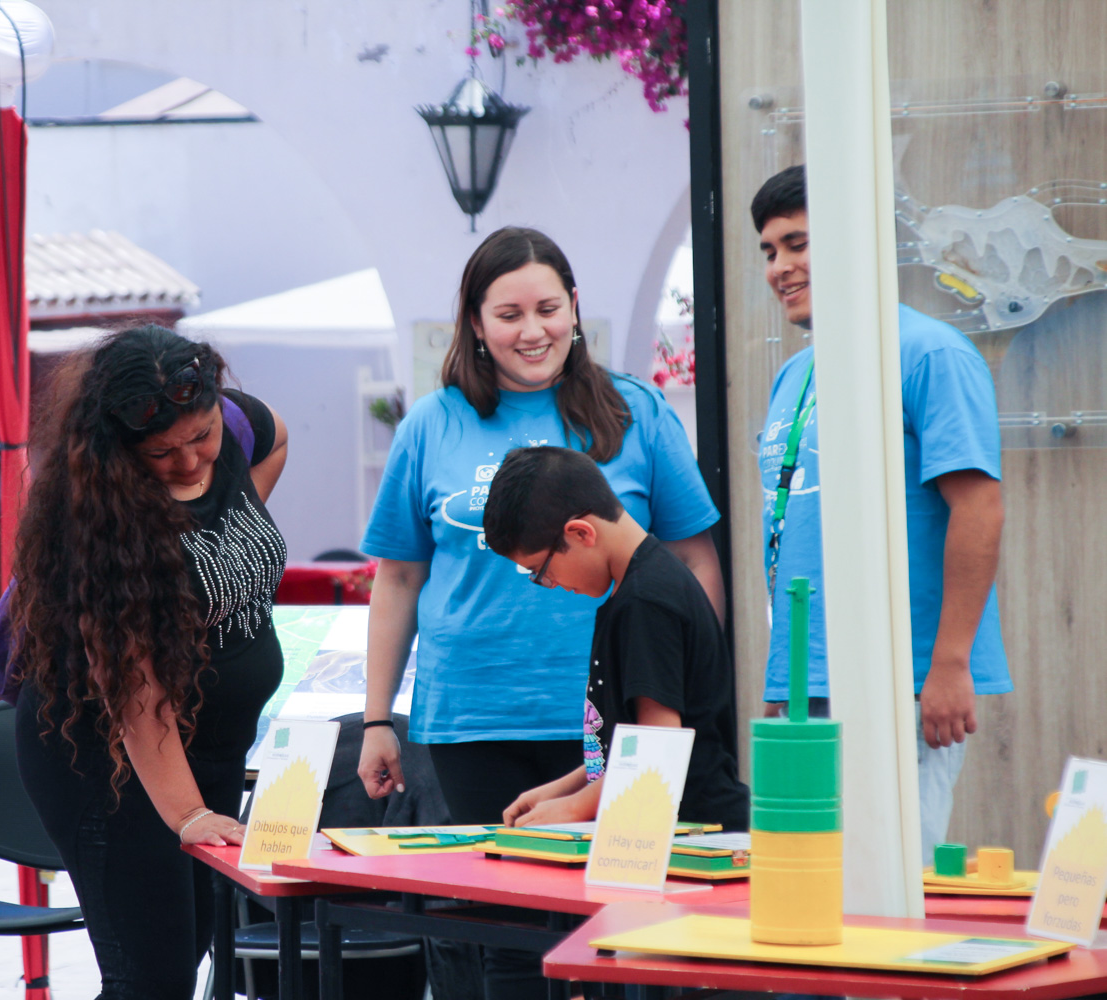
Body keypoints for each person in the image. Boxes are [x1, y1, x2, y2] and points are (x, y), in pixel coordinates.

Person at [357, 227, 722, 998]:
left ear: (575, 308)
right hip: (471, 714)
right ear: (475, 323)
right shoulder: (432, 422)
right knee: (507, 937)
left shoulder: (637, 410)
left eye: (548, 308)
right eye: (509, 313)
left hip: (609, 709)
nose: (532, 331)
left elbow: (691, 560)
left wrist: (693, 691)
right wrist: (376, 717)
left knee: (617, 925)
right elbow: (395, 579)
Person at [6, 325, 288, 1000]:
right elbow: (137, 696)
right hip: (107, 760)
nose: (192, 463)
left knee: (180, 959)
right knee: (149, 979)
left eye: (202, 438)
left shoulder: (234, 428)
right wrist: (188, 814)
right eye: (163, 454)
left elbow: (275, 436)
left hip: (208, 748)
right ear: (120, 450)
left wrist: (228, 534)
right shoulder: (101, 526)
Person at [752, 165, 1009, 859]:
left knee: (889, 885)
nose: (781, 266)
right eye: (770, 250)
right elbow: (792, 530)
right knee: (809, 889)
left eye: (798, 243)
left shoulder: (929, 353)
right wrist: (787, 681)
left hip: (906, 679)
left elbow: (979, 506)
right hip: (811, 684)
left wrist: (949, 665)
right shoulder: (794, 373)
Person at [483, 446, 748, 832]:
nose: (549, 584)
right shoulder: (638, 589)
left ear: (580, 533)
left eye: (540, 570)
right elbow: (627, 742)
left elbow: (656, 746)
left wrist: (575, 808)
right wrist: (562, 789)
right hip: (668, 825)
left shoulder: (646, 601)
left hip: (695, 834)